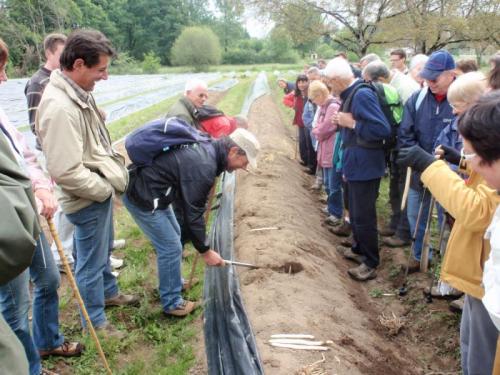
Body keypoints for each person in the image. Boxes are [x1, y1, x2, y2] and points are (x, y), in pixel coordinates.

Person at [36, 29, 139, 339]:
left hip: (96, 192)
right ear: (78, 64)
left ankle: (109, 293)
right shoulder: (59, 107)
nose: (105, 77)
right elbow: (65, 170)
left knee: (100, 252)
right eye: (101, 70)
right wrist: (103, 190)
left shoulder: (77, 94)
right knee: (90, 264)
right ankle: (95, 323)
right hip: (86, 197)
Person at [397, 90, 500, 375]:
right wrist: (461, 161)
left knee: (482, 354)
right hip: (481, 276)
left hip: (485, 280)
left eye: (473, 154)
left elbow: (477, 211)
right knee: (471, 344)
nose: (454, 112)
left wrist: (432, 167)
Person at [0, 38, 83, 375]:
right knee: (15, 308)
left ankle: (47, 340)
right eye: (0, 69)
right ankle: (28, 368)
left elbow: (23, 154)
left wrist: (39, 185)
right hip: (7, 227)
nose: (4, 78)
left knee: (49, 278)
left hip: (28, 214)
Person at [123, 128, 260, 316]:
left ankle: (174, 282)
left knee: (175, 237)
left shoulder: (209, 150)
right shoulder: (204, 164)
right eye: (242, 163)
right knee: (170, 247)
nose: (241, 168)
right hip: (144, 196)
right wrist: (205, 251)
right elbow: (193, 213)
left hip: (157, 191)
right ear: (234, 151)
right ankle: (172, 303)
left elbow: (189, 204)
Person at [324, 57, 391, 281]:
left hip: (366, 166)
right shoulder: (350, 95)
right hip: (354, 163)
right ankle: (358, 249)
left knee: (364, 216)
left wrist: (351, 123)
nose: (328, 87)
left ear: (336, 80)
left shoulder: (361, 94)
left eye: (329, 82)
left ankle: (371, 262)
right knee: (354, 209)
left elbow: (382, 129)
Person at [398, 49, 456, 272]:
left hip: (451, 174)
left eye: (435, 77)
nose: (430, 82)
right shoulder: (417, 99)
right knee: (415, 213)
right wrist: (419, 159)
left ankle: (447, 266)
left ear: (451, 74)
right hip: (420, 170)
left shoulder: (463, 99)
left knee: (447, 221)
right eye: (427, 77)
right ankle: (419, 255)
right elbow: (405, 134)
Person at [362, 61, 412, 248]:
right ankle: (395, 224)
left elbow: (408, 119)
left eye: (368, 82)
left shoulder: (405, 87)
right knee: (394, 184)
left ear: (379, 79)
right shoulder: (390, 86)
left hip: (404, 145)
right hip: (395, 143)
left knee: (403, 187)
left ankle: (404, 232)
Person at [308, 80, 342, 225]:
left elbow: (326, 128)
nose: (314, 102)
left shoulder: (332, 106)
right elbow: (318, 126)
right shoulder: (324, 107)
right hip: (325, 149)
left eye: (314, 98)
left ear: (321, 94)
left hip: (331, 150)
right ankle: (331, 207)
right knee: (328, 183)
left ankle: (336, 213)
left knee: (334, 184)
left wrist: (316, 131)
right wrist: (317, 129)